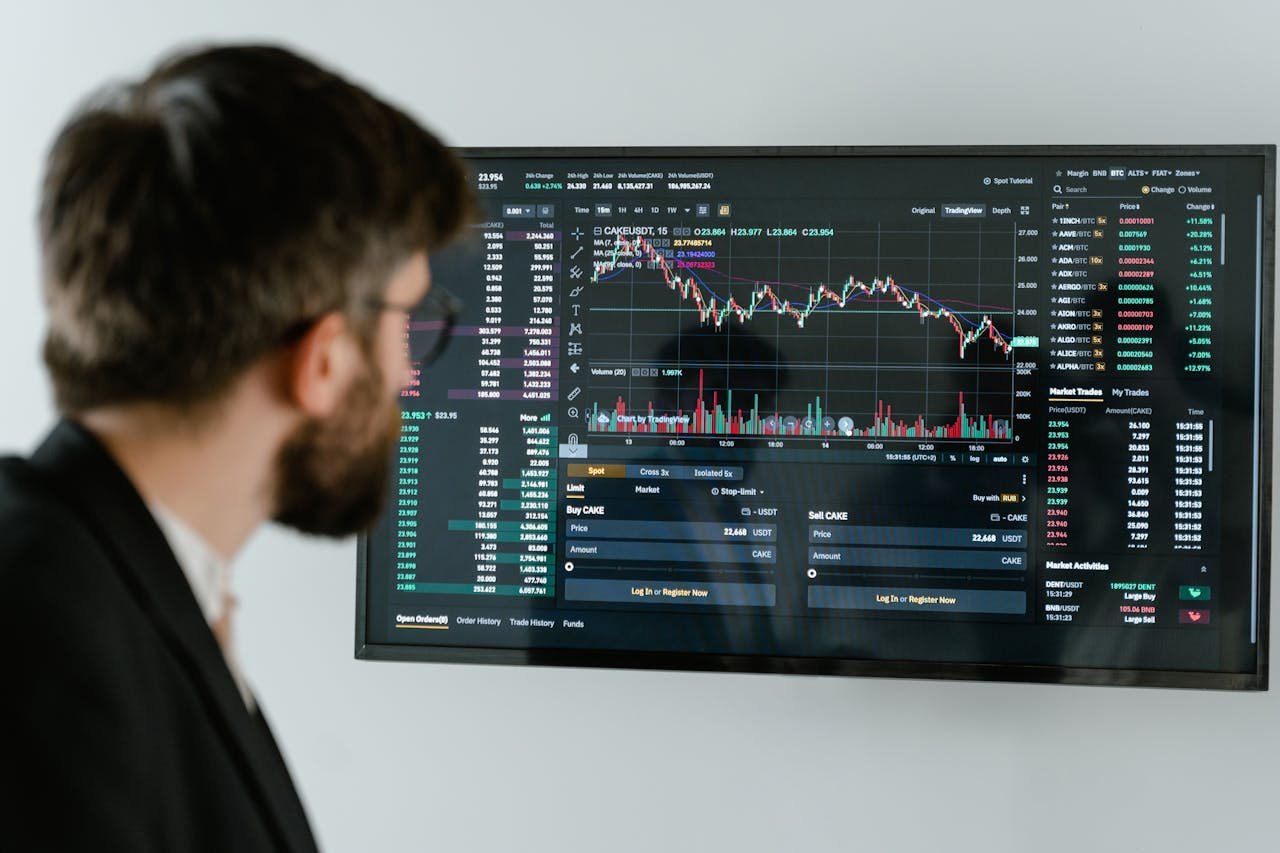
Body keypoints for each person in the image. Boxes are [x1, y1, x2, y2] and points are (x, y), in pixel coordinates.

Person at [0, 44, 476, 851]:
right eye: (410, 321)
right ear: (322, 359)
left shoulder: (129, 586)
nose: (407, 371)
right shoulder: (47, 645)